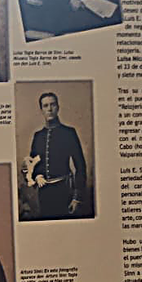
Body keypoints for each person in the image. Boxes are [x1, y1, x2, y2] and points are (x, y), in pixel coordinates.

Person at [24, 91, 91, 219]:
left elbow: (80, 166)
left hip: (64, 190)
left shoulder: (69, 133)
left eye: (52, 105)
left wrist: (76, 198)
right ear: (41, 110)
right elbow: (32, 164)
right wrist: (37, 175)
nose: (49, 109)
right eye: (45, 106)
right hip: (44, 193)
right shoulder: (38, 136)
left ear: (58, 108)